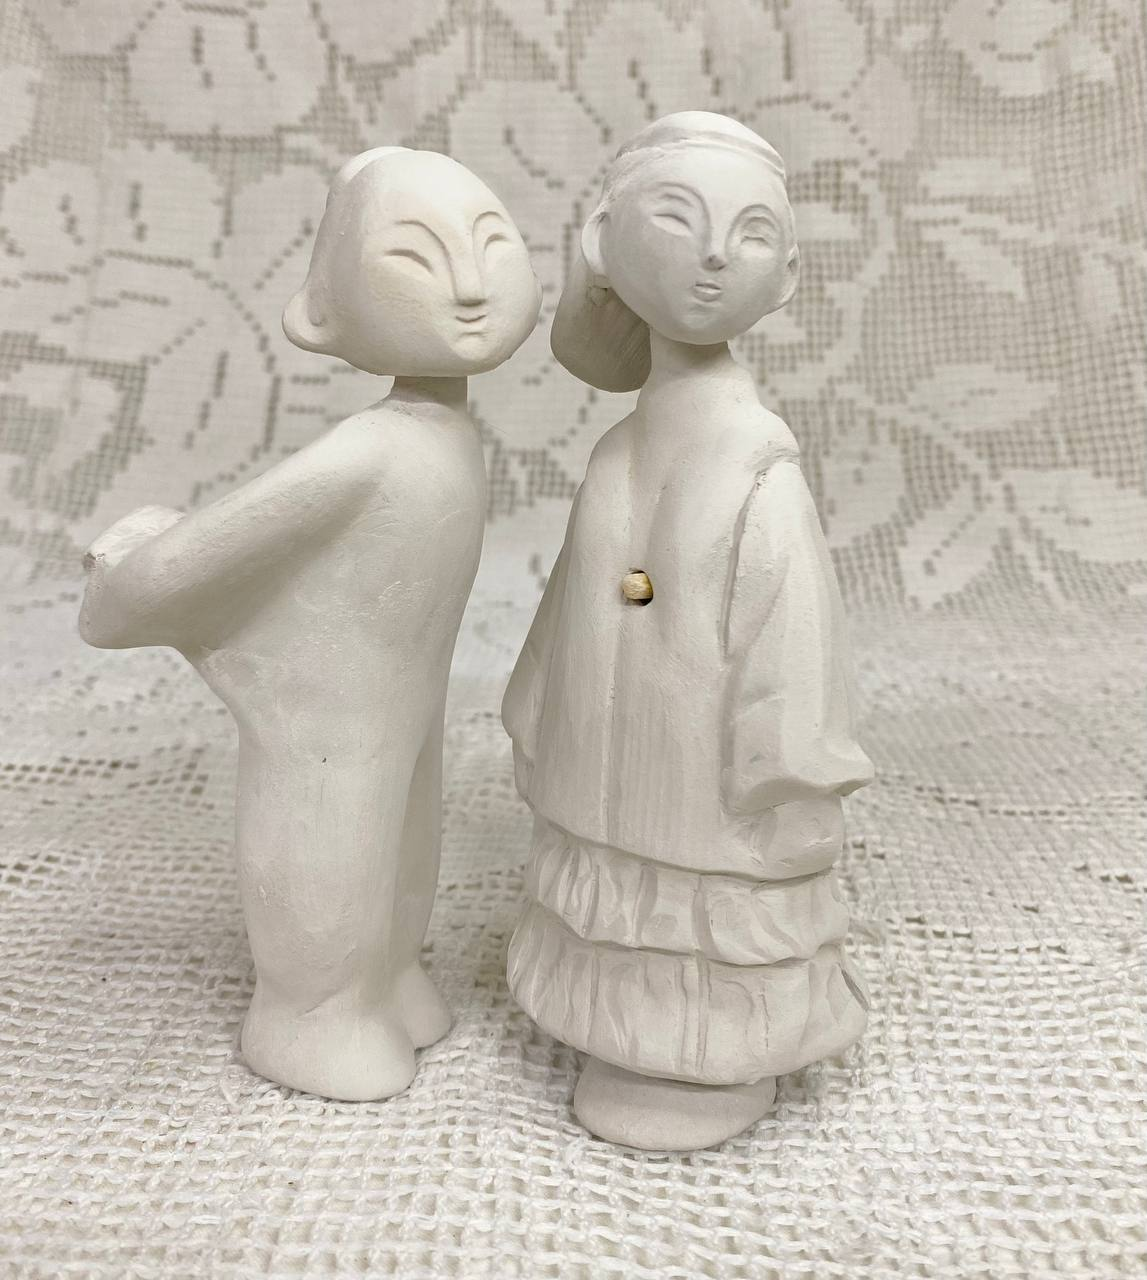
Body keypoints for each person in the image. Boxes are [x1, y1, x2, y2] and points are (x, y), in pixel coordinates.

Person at [80, 147, 541, 1101]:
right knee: (333, 836)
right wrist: (133, 576)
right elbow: (224, 538)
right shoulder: (371, 446)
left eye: (491, 244)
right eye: (414, 258)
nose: (468, 285)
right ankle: (310, 1012)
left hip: (403, 695)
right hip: (327, 708)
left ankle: (387, 977)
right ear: (324, 312)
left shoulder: (445, 435)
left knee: (404, 835)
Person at [503, 113, 874, 1150]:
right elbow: (573, 605)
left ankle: (707, 1052)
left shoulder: (758, 463)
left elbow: (790, 633)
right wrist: (538, 708)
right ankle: (622, 1028)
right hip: (609, 765)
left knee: (700, 905)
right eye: (677, 217)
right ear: (601, 241)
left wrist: (788, 766)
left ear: (786, 277)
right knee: (619, 887)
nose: (714, 253)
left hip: (706, 781)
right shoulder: (617, 452)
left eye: (751, 233)